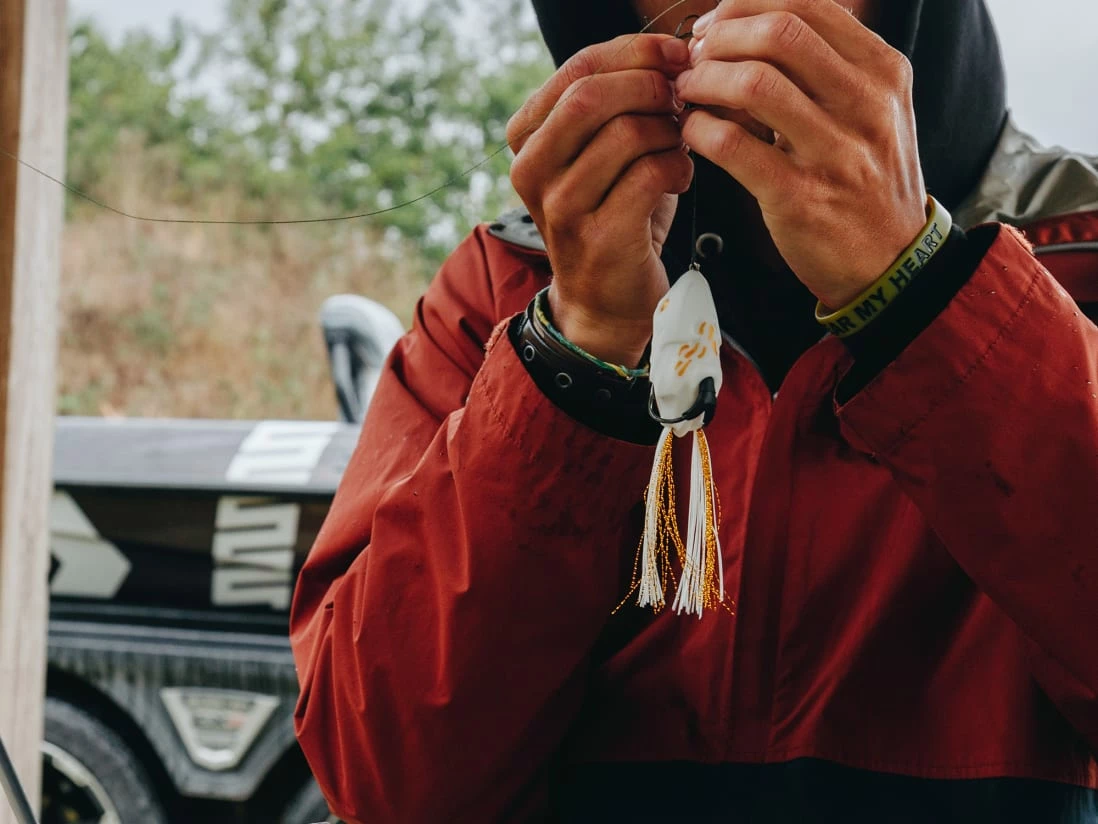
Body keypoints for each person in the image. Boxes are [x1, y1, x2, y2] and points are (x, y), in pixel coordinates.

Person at [290, 0, 1098, 820]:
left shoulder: (1083, 252)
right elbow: (383, 786)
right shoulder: (504, 289)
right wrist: (581, 346)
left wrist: (924, 294)